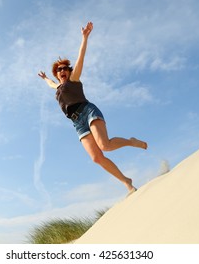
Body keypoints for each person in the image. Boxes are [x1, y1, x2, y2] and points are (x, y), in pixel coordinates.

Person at [38, 21, 147, 195]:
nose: (62, 70)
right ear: (57, 74)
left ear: (69, 71)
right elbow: (51, 84)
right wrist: (44, 78)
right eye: (59, 69)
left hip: (88, 111)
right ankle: (127, 182)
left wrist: (85, 37)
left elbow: (81, 57)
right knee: (97, 158)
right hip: (77, 124)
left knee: (105, 145)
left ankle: (131, 141)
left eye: (65, 68)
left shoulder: (74, 79)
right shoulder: (57, 88)